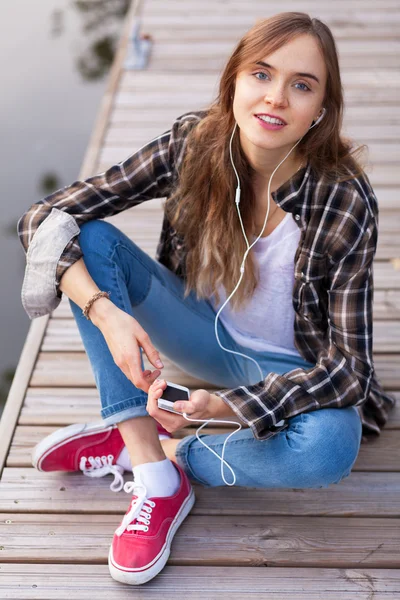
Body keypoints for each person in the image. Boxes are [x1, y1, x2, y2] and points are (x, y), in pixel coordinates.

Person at [17, 11, 395, 587]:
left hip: (287, 368)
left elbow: (348, 371)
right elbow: (45, 217)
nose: (275, 97)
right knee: (89, 238)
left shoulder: (343, 198)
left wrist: (224, 411)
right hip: (198, 331)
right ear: (234, 82)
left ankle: (171, 457)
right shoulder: (195, 143)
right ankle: (151, 470)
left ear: (320, 109)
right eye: (261, 74)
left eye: (301, 84)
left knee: (329, 448)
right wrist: (106, 314)